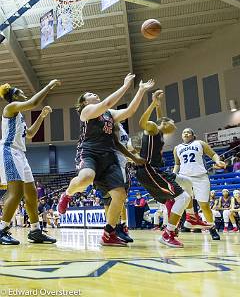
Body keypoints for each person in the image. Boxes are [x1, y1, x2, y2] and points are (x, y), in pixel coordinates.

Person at [58, 74, 154, 246]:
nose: (94, 94)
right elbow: (107, 103)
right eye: (90, 94)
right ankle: (67, 195)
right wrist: (125, 86)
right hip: (89, 152)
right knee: (86, 177)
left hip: (108, 156)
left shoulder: (109, 114)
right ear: (84, 102)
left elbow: (129, 111)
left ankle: (109, 233)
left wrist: (140, 91)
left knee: (120, 195)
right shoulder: (86, 112)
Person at [0, 79, 61, 245]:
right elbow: (33, 102)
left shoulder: (19, 116)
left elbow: (31, 134)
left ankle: (35, 231)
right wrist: (48, 86)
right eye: (18, 91)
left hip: (20, 154)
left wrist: (41, 116)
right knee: (17, 192)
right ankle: (2, 229)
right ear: (13, 95)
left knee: (32, 193)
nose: (22, 92)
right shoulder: (10, 108)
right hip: (9, 151)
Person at [136, 90, 191, 248]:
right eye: (173, 123)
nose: (175, 126)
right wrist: (153, 104)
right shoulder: (153, 128)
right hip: (149, 169)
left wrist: (158, 104)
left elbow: (162, 119)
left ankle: (178, 222)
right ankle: (168, 233)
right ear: (167, 124)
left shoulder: (159, 131)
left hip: (156, 170)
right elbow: (142, 122)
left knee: (185, 187)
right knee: (184, 197)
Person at [173, 128, 226, 240]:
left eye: (188, 132)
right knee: (184, 202)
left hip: (200, 177)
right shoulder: (177, 148)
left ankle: (212, 227)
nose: (186, 133)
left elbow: (212, 154)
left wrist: (217, 161)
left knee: (204, 206)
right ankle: (179, 226)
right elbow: (177, 164)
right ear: (182, 136)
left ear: (193, 135)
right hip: (184, 177)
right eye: (184, 132)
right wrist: (173, 175)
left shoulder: (200, 143)